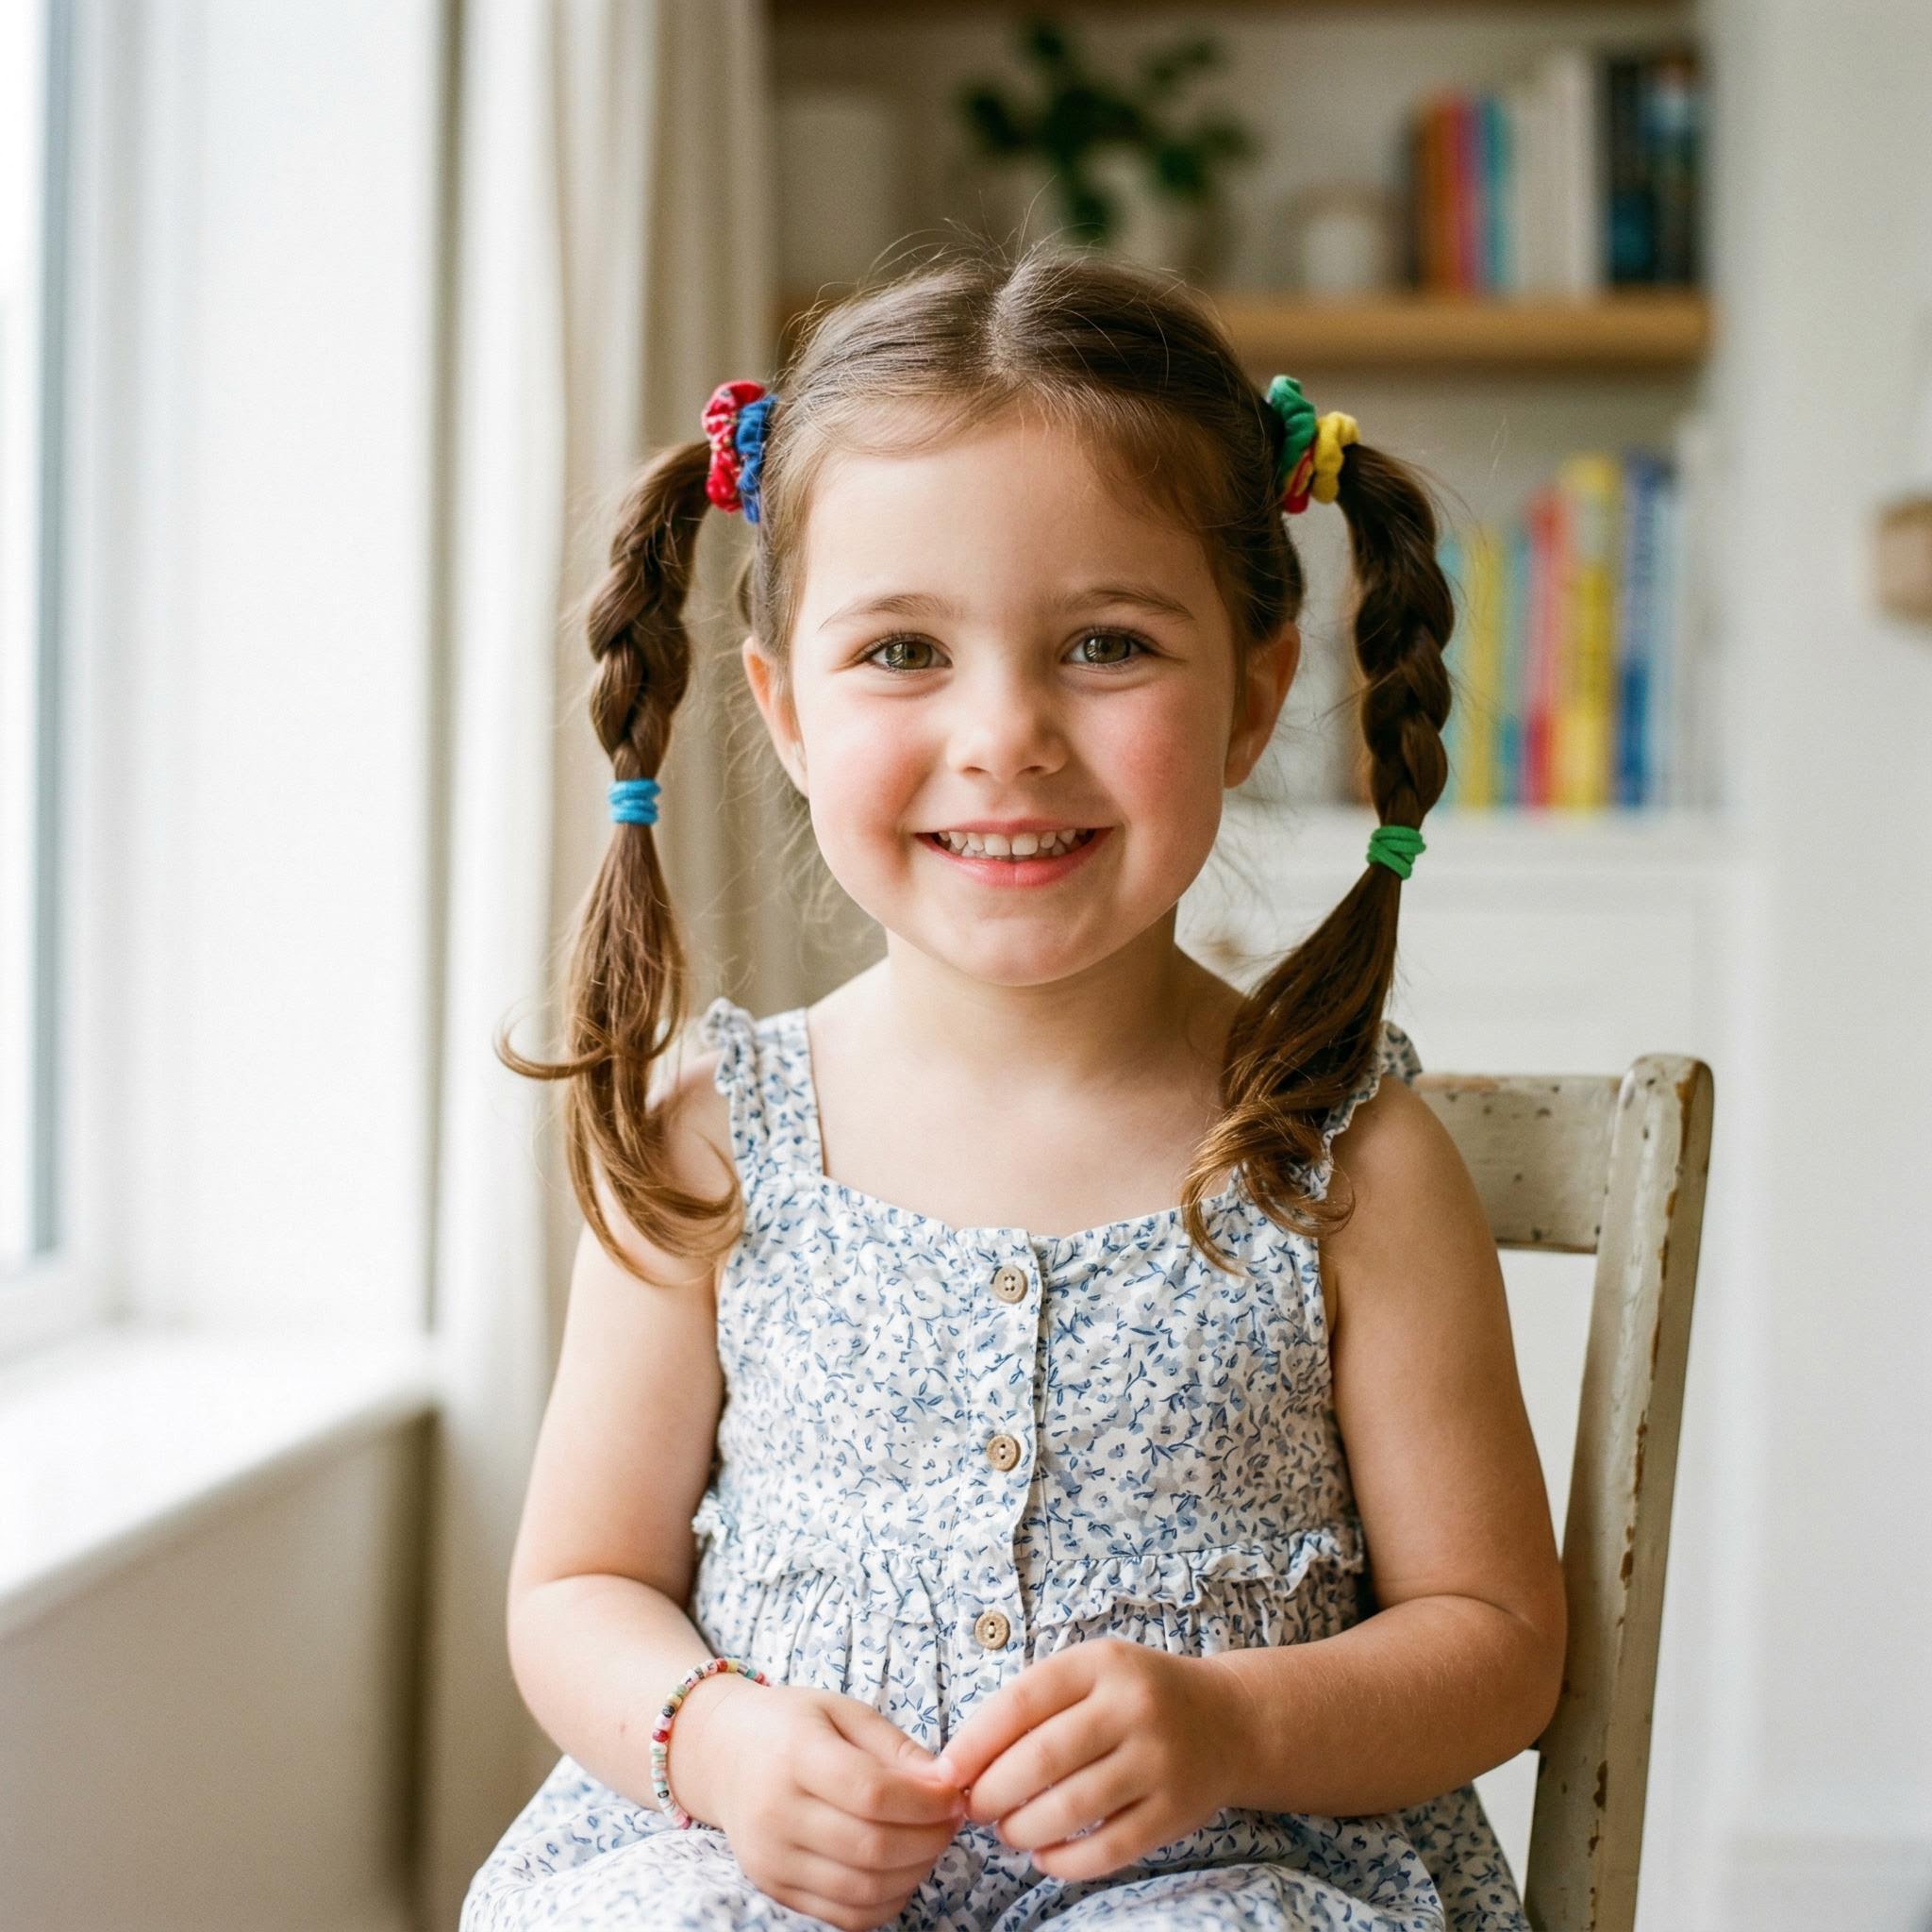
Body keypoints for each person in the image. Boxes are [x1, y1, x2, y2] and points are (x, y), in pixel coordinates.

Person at [461, 240, 1564, 1931]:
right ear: (784, 710)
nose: (1006, 735)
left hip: (1213, 1870)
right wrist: (721, 1742)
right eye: (902, 652)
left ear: (1257, 696)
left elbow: (1493, 1648)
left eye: (1107, 644)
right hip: (772, 1874)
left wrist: (1229, 1722)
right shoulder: (721, 1136)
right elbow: (578, 1587)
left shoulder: (1341, 1159)